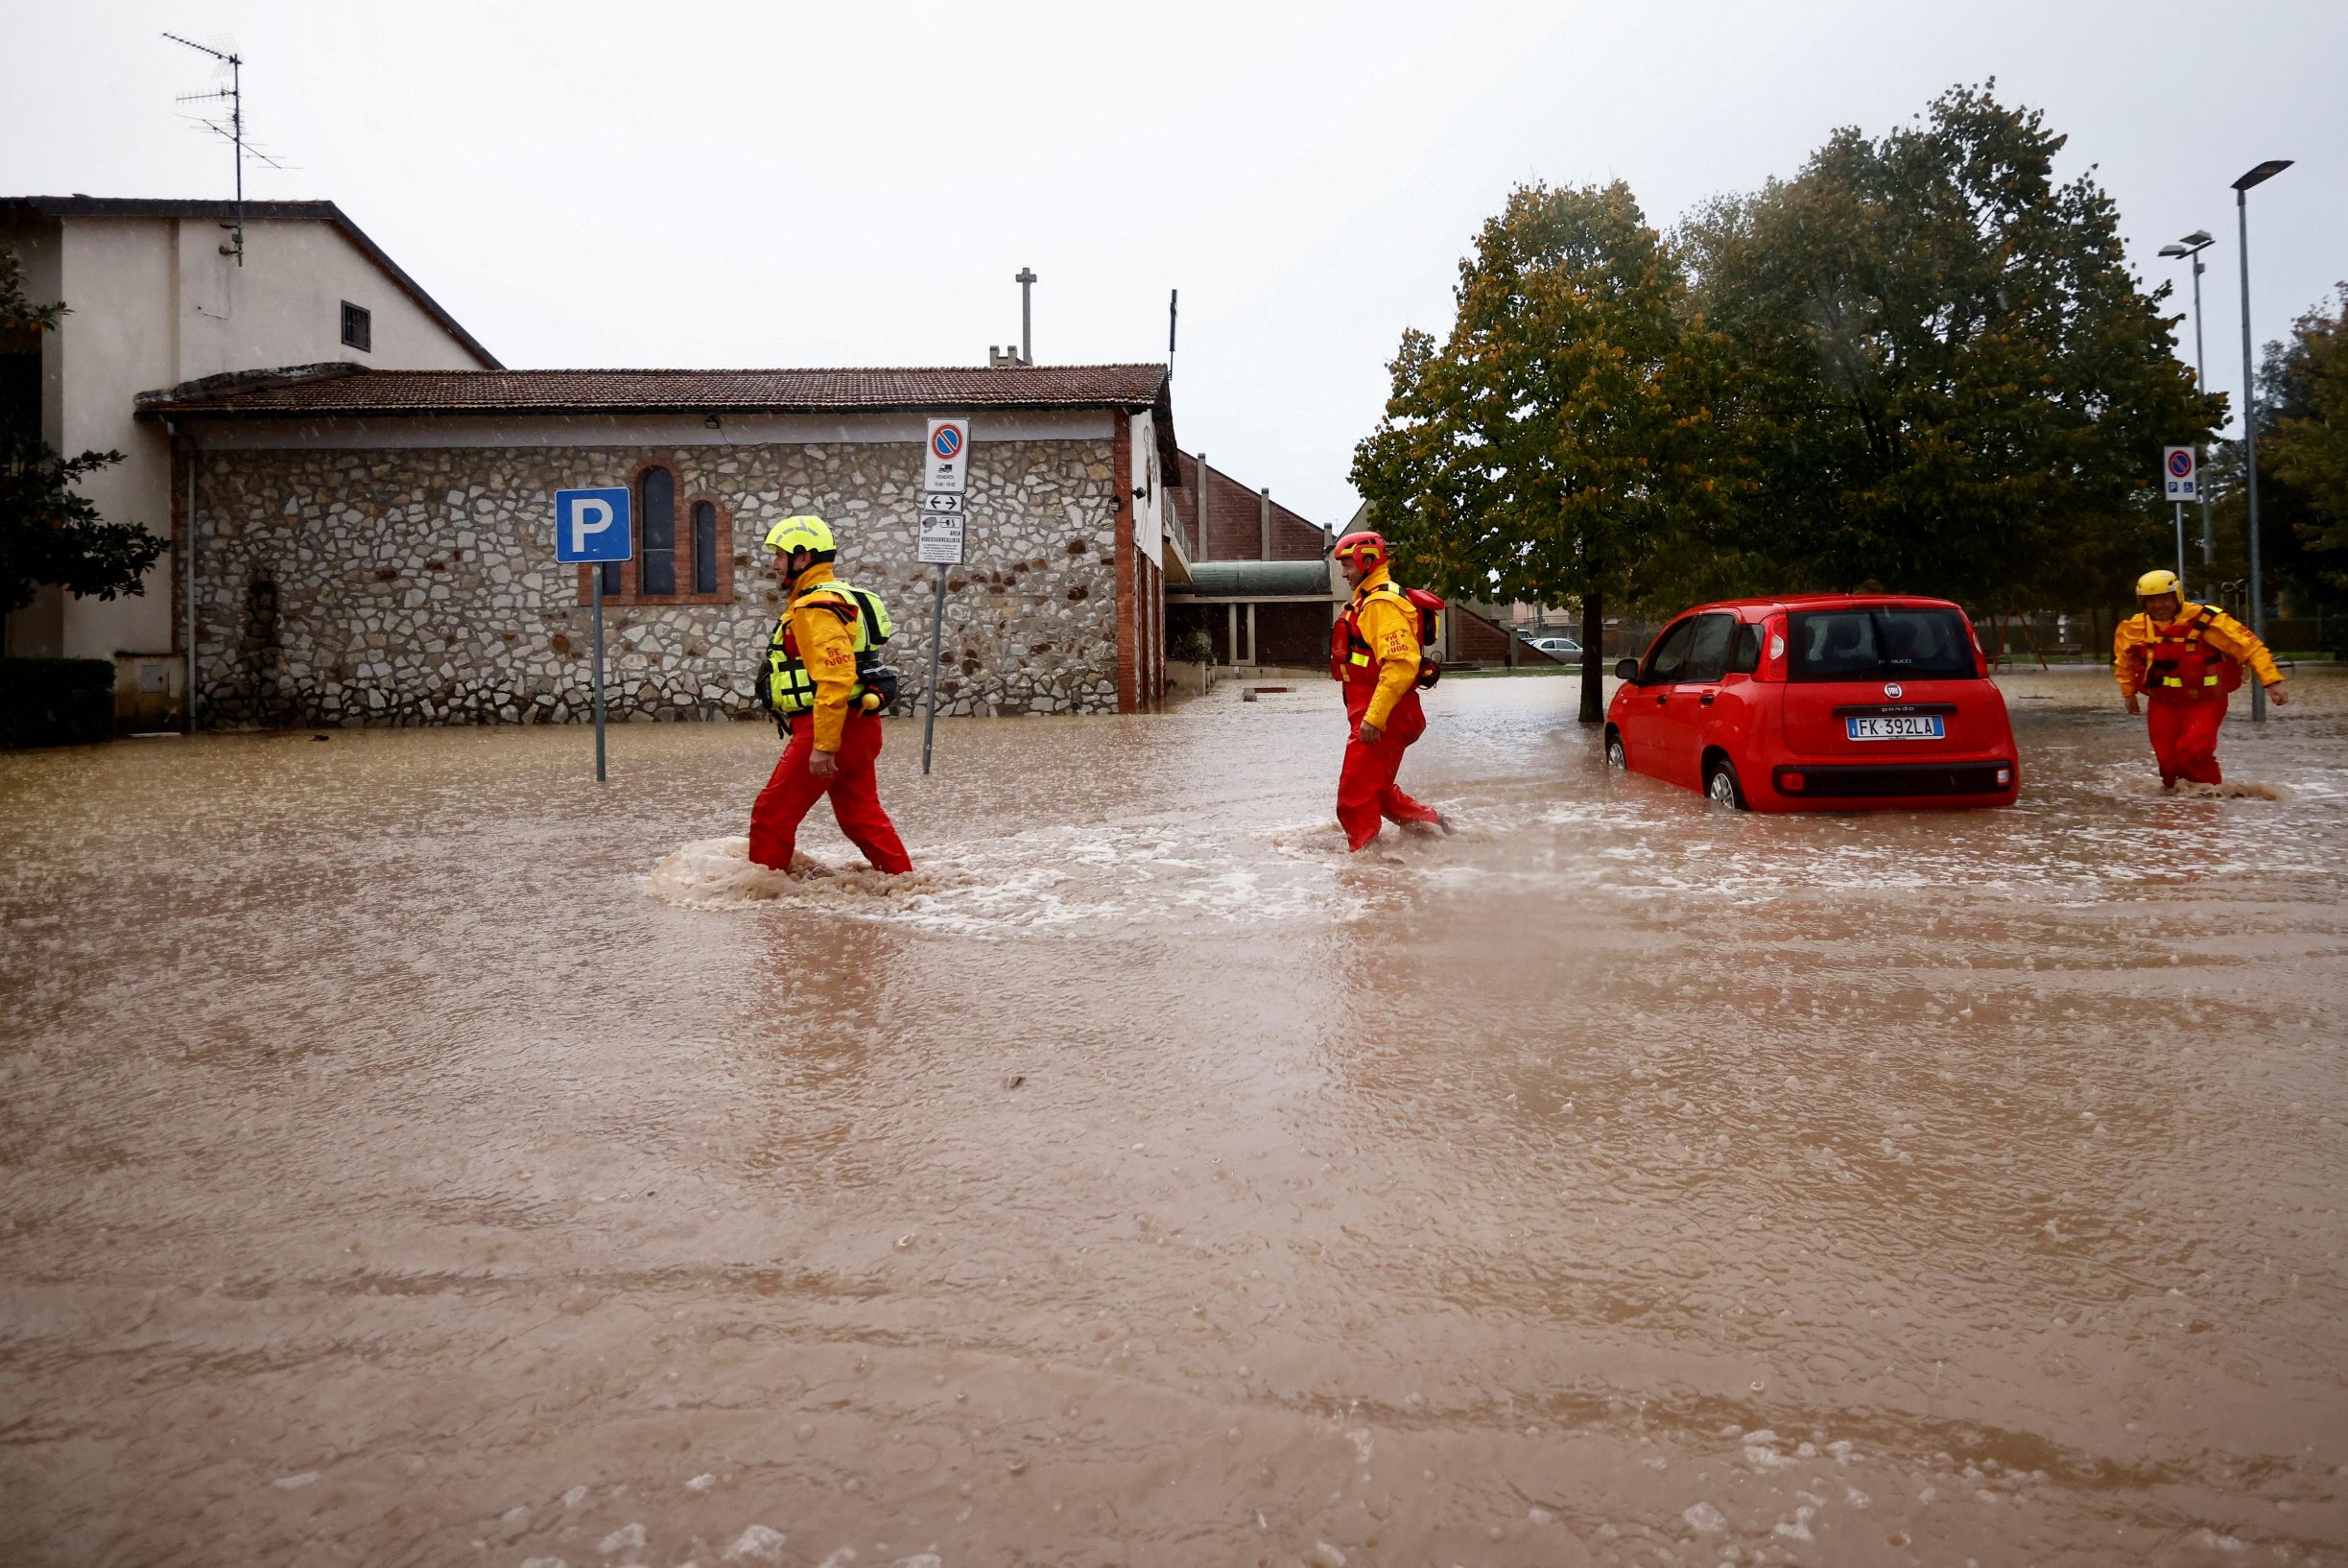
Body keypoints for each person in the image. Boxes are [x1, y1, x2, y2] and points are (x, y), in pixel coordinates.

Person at [747, 515, 913, 874]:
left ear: (803, 557)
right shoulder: (843, 597)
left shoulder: (815, 607)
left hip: (829, 726)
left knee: (771, 814)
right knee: (860, 815)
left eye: (779, 555)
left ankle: (759, 907)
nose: (774, 564)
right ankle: (904, 883)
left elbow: (835, 677)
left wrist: (824, 744)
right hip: (860, 724)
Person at [1328, 530, 1452, 850]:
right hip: (1384, 712)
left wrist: (1374, 718)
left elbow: (1400, 665)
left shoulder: (1381, 603)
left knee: (1353, 798)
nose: (1344, 574)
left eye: (1347, 566)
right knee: (1377, 790)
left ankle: (1366, 869)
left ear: (1367, 561)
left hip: (1384, 715)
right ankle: (1434, 826)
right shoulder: (1368, 599)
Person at [2112, 568, 2289, 789]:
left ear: (2177, 596)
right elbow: (2123, 662)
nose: (2159, 605)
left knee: (2192, 750)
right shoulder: (2134, 627)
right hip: (2163, 702)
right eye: (2152, 600)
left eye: (2164, 599)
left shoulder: (2208, 620)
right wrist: (2128, 693)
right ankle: (2174, 811)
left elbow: (2251, 648)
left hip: (2206, 700)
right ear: (2143, 603)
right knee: (2167, 761)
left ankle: (2211, 799)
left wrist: (2272, 682)